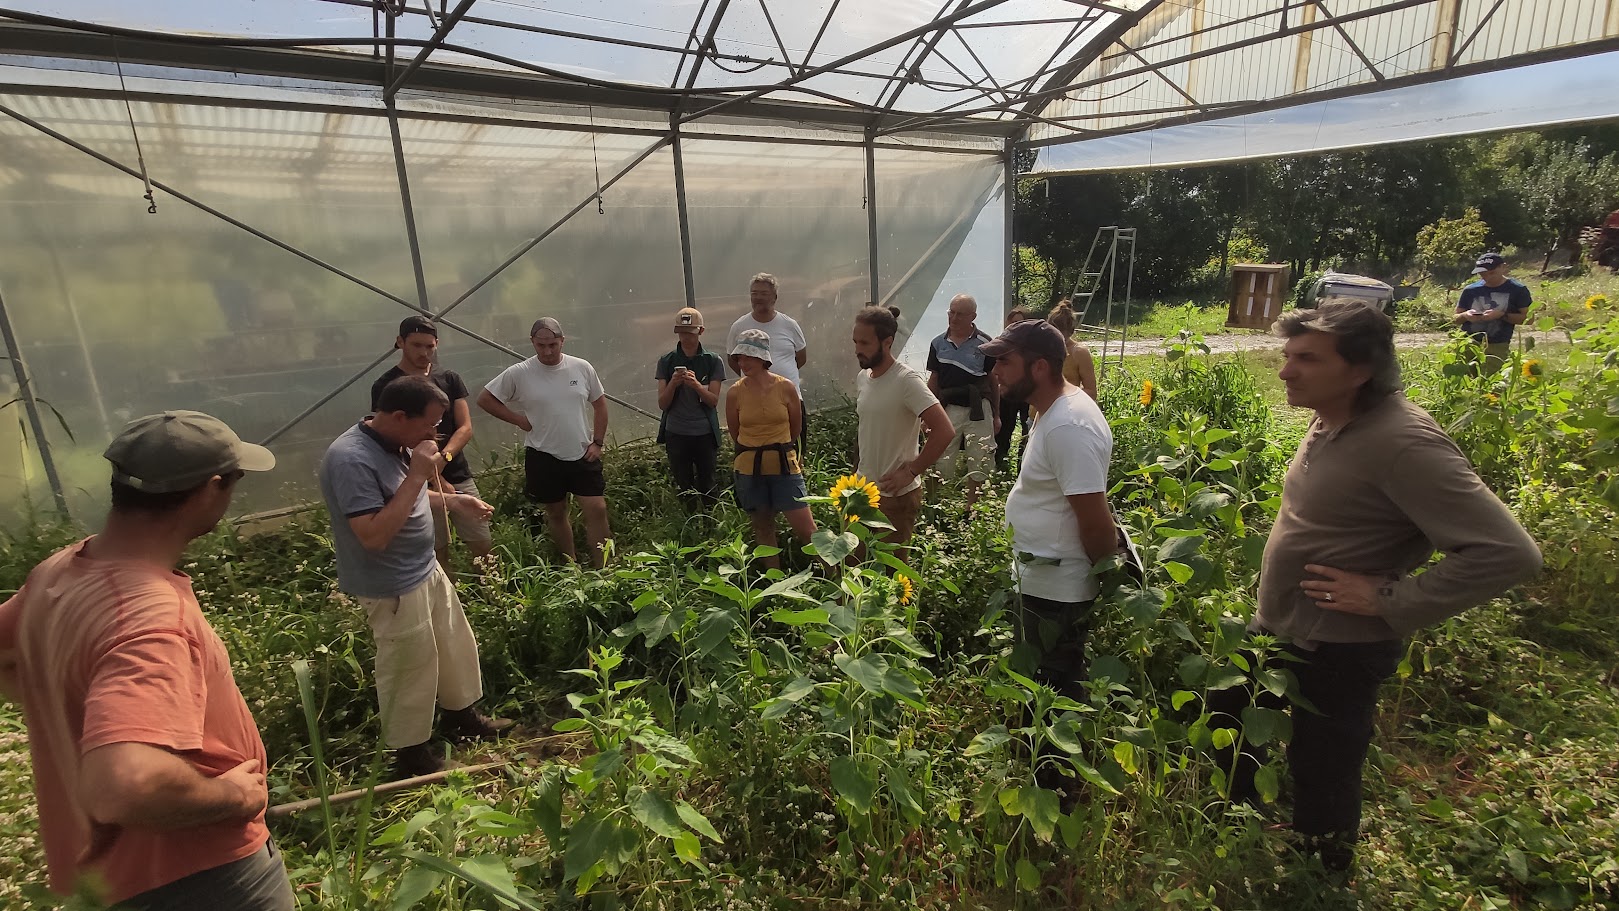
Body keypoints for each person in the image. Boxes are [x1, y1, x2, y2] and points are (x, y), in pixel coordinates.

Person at [1212, 301, 1541, 871]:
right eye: (1288, 356)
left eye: (1307, 359)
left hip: (1338, 646)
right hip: (1281, 631)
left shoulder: (1403, 443)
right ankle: (1242, 837)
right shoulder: (1330, 417)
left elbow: (1509, 552)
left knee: (1325, 768)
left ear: (1361, 370)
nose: (1285, 371)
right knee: (1229, 716)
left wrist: (1390, 598)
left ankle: (1320, 877)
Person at [0, 411, 293, 909]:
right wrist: (237, 799)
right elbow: (125, 785)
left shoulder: (61, 571)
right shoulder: (150, 617)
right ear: (212, 489)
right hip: (194, 876)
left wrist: (67, 716)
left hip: (104, 880)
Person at [321, 376, 511, 779]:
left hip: (423, 566)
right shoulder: (351, 459)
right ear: (398, 416)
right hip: (392, 584)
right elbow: (372, 534)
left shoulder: (394, 444)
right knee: (409, 665)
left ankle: (462, 718)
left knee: (452, 645)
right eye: (429, 425)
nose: (434, 434)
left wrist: (453, 500)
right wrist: (417, 473)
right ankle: (410, 754)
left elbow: (403, 497)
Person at [983, 320, 1117, 701]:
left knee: (1054, 695)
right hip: (1042, 581)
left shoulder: (1068, 426)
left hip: (1058, 591)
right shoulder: (1053, 411)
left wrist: (1108, 579)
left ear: (1039, 367)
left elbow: (1094, 520)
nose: (996, 373)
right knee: (1039, 687)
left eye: (1005, 362)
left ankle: (1052, 762)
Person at [478, 318, 612, 568]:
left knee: (597, 508)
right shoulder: (520, 372)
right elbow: (485, 399)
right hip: (543, 454)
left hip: (582, 451)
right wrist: (518, 420)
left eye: (553, 345)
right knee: (556, 511)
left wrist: (598, 442)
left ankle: (605, 566)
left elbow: (600, 404)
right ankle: (571, 566)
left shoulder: (581, 367)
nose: (548, 351)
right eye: (541, 346)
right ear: (533, 343)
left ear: (563, 341)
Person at [371, 316, 493, 568]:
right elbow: (390, 435)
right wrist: (431, 474)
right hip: (414, 479)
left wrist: (444, 457)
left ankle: (493, 595)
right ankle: (448, 599)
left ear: (437, 344)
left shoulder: (449, 379)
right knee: (436, 548)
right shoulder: (387, 385)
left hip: (457, 470)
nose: (424, 353)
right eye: (416, 345)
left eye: (429, 346)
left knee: (482, 540)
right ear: (400, 343)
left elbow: (465, 427)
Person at [852, 306, 954, 546]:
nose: (857, 350)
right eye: (855, 342)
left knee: (892, 573)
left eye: (865, 343)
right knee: (855, 568)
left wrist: (911, 471)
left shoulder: (906, 380)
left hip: (894, 495)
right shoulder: (863, 379)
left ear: (887, 342)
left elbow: (944, 430)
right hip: (861, 490)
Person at [726, 328, 816, 569]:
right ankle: (775, 584)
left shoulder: (785, 388)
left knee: (806, 527)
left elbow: (795, 427)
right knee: (763, 526)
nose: (743, 362)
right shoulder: (735, 392)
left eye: (749, 357)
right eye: (740, 358)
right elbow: (736, 433)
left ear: (763, 358)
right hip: (749, 469)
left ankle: (834, 576)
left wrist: (778, 447)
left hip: (784, 466)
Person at [927, 293, 1000, 509]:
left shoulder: (986, 344)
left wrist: (996, 415)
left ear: (973, 316)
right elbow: (934, 380)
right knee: (939, 456)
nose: (954, 317)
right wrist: (927, 414)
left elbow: (992, 380)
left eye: (960, 314)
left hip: (979, 407)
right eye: (952, 312)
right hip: (948, 407)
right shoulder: (938, 343)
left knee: (980, 457)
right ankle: (933, 507)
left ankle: (972, 510)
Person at [655, 307, 725, 512]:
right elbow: (662, 403)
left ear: (700, 331)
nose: (685, 337)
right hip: (676, 432)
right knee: (684, 484)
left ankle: (710, 525)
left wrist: (696, 386)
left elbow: (713, 401)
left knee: (708, 483)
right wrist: (673, 384)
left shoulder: (712, 360)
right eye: (681, 332)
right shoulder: (667, 361)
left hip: (704, 432)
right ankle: (689, 523)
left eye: (690, 333)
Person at [727, 273, 808, 446]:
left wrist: (780, 376)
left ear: (775, 297)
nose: (758, 298)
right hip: (751, 400)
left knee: (793, 452)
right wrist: (753, 375)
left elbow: (801, 357)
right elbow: (733, 359)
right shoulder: (739, 326)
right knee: (753, 450)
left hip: (790, 399)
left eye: (763, 293)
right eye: (754, 293)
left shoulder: (789, 325)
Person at [1453, 251, 1532, 371]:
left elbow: (1528, 319)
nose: (1487, 277)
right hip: (1469, 342)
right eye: (1483, 274)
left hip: (1498, 343)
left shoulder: (1518, 290)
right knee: (1466, 379)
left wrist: (1501, 315)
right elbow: (1455, 318)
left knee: (1492, 379)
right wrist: (1466, 315)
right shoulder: (1470, 290)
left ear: (1503, 267)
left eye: (1491, 273)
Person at [994, 307, 1032, 470]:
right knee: (1005, 429)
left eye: (1020, 322)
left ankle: (1023, 465)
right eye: (1014, 322)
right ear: (1008, 323)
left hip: (1026, 394)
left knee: (1027, 428)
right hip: (1008, 393)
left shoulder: (1033, 346)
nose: (1017, 324)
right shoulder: (1001, 343)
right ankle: (1001, 464)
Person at [1045, 300, 1098, 400]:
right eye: (1051, 333)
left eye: (1060, 334)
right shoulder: (1041, 348)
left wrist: (1060, 397)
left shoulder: (1079, 352)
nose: (1054, 338)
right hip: (1037, 413)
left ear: (1070, 331)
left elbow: (1091, 392)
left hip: (1064, 411)